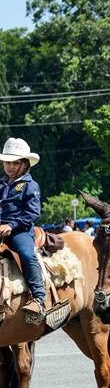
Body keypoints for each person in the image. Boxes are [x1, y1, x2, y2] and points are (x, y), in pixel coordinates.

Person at [0, 138, 46, 324]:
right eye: (7, 162)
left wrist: (11, 225)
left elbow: (32, 212)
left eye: (15, 163)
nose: (10, 167)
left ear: (24, 164)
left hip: (20, 231)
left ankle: (39, 298)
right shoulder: (1, 184)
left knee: (27, 255)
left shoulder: (30, 185)